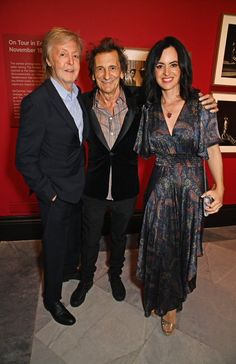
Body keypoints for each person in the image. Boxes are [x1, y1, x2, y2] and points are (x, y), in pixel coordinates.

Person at [70, 37, 218, 309]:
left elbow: (177, 97)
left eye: (113, 68)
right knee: (89, 239)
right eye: (100, 69)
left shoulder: (140, 101)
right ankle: (86, 279)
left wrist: (205, 100)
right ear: (92, 73)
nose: (107, 75)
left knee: (119, 237)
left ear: (122, 70)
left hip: (127, 188)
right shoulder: (82, 103)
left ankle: (115, 276)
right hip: (93, 187)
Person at [134, 36, 224, 336]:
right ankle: (160, 295)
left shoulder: (201, 106)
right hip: (159, 190)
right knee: (159, 246)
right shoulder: (148, 109)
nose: (167, 71)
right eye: (160, 65)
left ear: (183, 68)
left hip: (190, 190)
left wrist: (220, 188)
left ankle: (171, 305)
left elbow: (212, 149)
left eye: (173, 64)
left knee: (179, 246)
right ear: (153, 71)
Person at [16, 27, 88, 326]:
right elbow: (25, 159)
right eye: (63, 54)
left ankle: (69, 271)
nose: (71, 61)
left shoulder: (79, 95)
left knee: (72, 242)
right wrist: (50, 194)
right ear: (48, 59)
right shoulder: (37, 102)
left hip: (78, 187)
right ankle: (52, 300)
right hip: (55, 194)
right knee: (55, 248)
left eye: (75, 55)